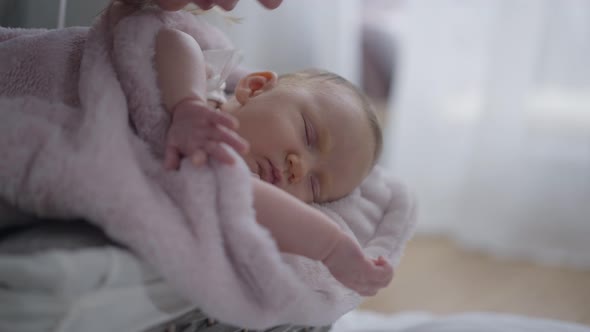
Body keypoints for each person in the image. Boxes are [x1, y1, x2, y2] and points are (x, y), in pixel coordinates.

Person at [112, 0, 393, 296]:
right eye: (309, 136)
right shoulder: (211, 92)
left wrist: (332, 247)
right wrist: (188, 104)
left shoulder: (234, 175)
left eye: (314, 185)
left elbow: (252, 200)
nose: (300, 168)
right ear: (255, 87)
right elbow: (172, 40)